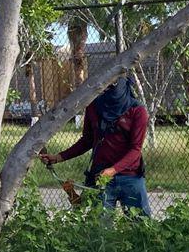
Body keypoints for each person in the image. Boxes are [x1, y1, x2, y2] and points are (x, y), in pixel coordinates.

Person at [39, 77, 150, 215]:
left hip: (130, 178)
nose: (106, 93)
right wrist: (58, 157)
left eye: (111, 88)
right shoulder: (94, 107)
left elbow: (135, 150)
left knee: (141, 225)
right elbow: (87, 140)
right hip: (100, 176)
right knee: (99, 230)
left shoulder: (137, 111)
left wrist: (113, 170)